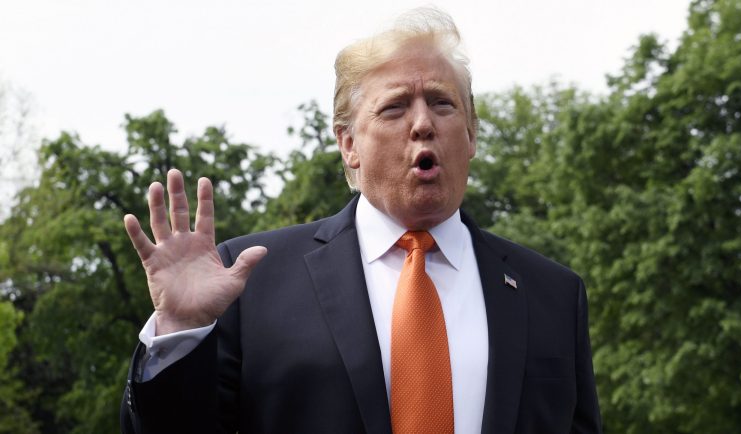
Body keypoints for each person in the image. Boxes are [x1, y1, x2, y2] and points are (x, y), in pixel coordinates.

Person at [120, 8, 602, 434]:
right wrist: (179, 334)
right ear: (348, 144)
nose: (422, 123)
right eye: (394, 107)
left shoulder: (554, 295)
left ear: (471, 133)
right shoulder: (250, 281)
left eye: (442, 102)